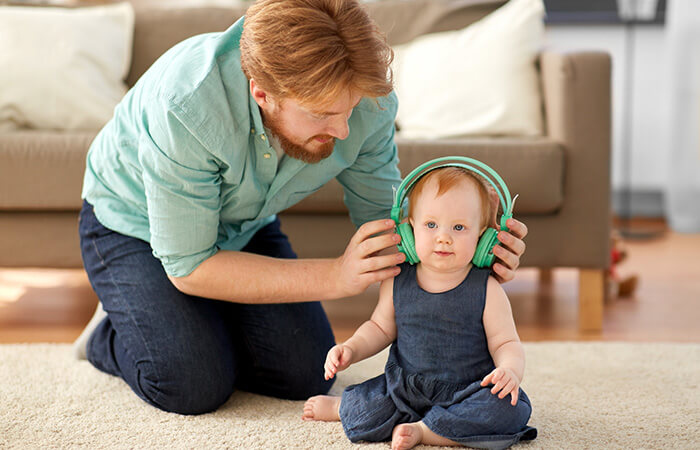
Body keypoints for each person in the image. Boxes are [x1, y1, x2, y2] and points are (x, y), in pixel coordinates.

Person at [74, 0, 529, 415]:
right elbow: (190, 266)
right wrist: (337, 275)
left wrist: (467, 253)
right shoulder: (187, 106)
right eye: (322, 114)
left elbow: (388, 224)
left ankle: (198, 321)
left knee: (305, 373)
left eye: (349, 109)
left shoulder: (364, 97)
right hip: (134, 226)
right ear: (262, 94)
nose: (345, 131)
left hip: (241, 225)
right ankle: (110, 333)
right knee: (191, 382)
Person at [302, 166, 537, 450]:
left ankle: (425, 431)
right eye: (431, 225)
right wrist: (351, 348)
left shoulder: (487, 289)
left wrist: (509, 370)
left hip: (468, 390)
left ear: (483, 238)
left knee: (510, 408)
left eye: (459, 227)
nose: (443, 237)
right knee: (372, 405)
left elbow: (506, 341)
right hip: (404, 388)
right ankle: (344, 406)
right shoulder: (397, 279)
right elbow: (379, 327)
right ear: (409, 229)